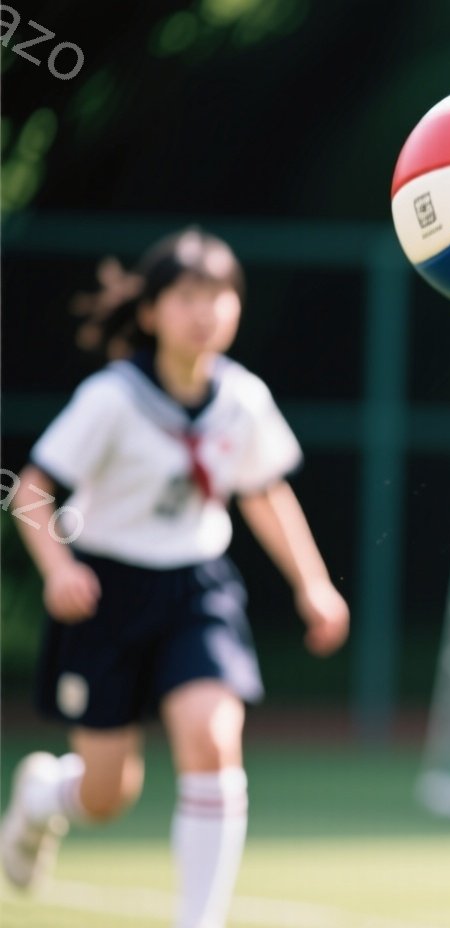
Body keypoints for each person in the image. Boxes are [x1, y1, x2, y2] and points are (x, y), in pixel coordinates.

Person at [0, 228, 350, 928]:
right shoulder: (112, 398)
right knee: (106, 796)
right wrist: (61, 569)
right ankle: (43, 796)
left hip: (197, 589)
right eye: (188, 296)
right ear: (153, 311)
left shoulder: (243, 399)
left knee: (215, 739)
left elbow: (266, 493)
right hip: (106, 592)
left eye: (221, 296)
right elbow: (30, 489)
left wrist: (314, 583)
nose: (207, 311)